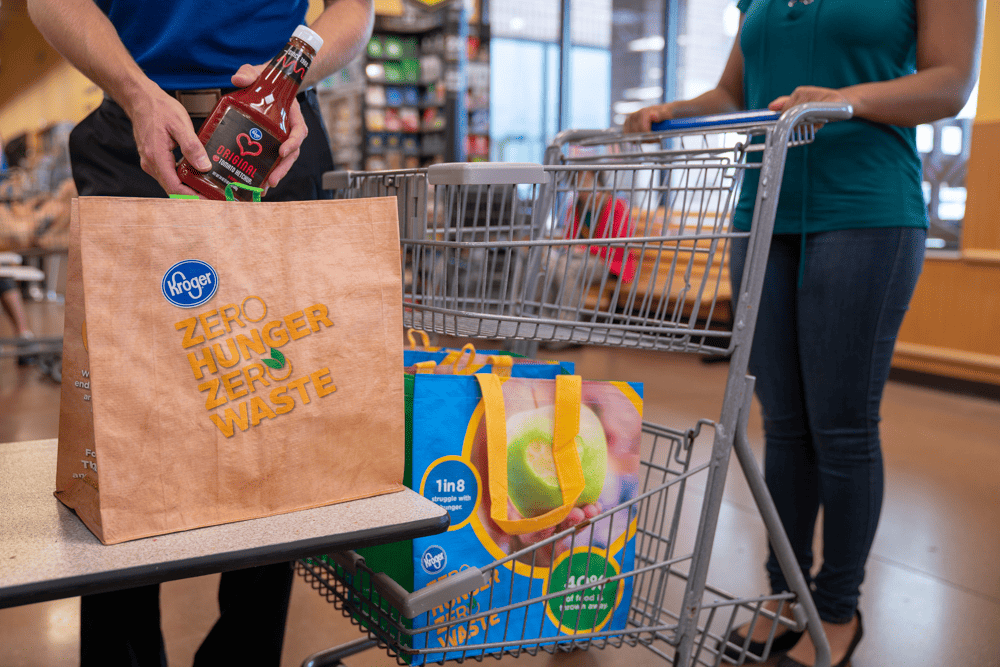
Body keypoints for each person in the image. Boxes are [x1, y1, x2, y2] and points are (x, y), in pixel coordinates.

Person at [625, 1, 981, 666]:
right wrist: (673, 112)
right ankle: (786, 595)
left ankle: (839, 609)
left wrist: (846, 99)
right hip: (764, 209)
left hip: (866, 208)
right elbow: (738, 90)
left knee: (841, 426)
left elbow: (951, 81)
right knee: (782, 423)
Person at [25, 1, 374, 665]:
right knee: (124, 428)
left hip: (276, 137)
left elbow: (355, 9)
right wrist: (134, 90)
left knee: (276, 410)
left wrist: (290, 79)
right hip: (134, 130)